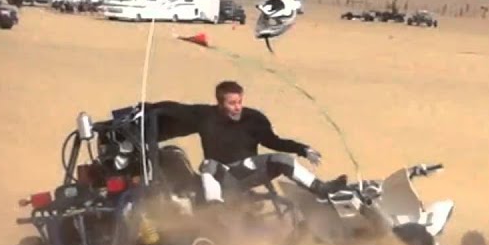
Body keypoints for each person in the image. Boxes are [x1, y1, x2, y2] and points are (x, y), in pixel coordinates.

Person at [144, 80, 347, 206]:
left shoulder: (254, 119)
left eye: (239, 102)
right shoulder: (205, 116)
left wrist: (303, 149)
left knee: (282, 159)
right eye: (231, 103)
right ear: (220, 103)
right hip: (222, 174)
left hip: (248, 170)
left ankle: (321, 188)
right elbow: (177, 109)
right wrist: (149, 108)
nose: (237, 108)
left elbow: (273, 141)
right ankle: (215, 207)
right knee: (208, 164)